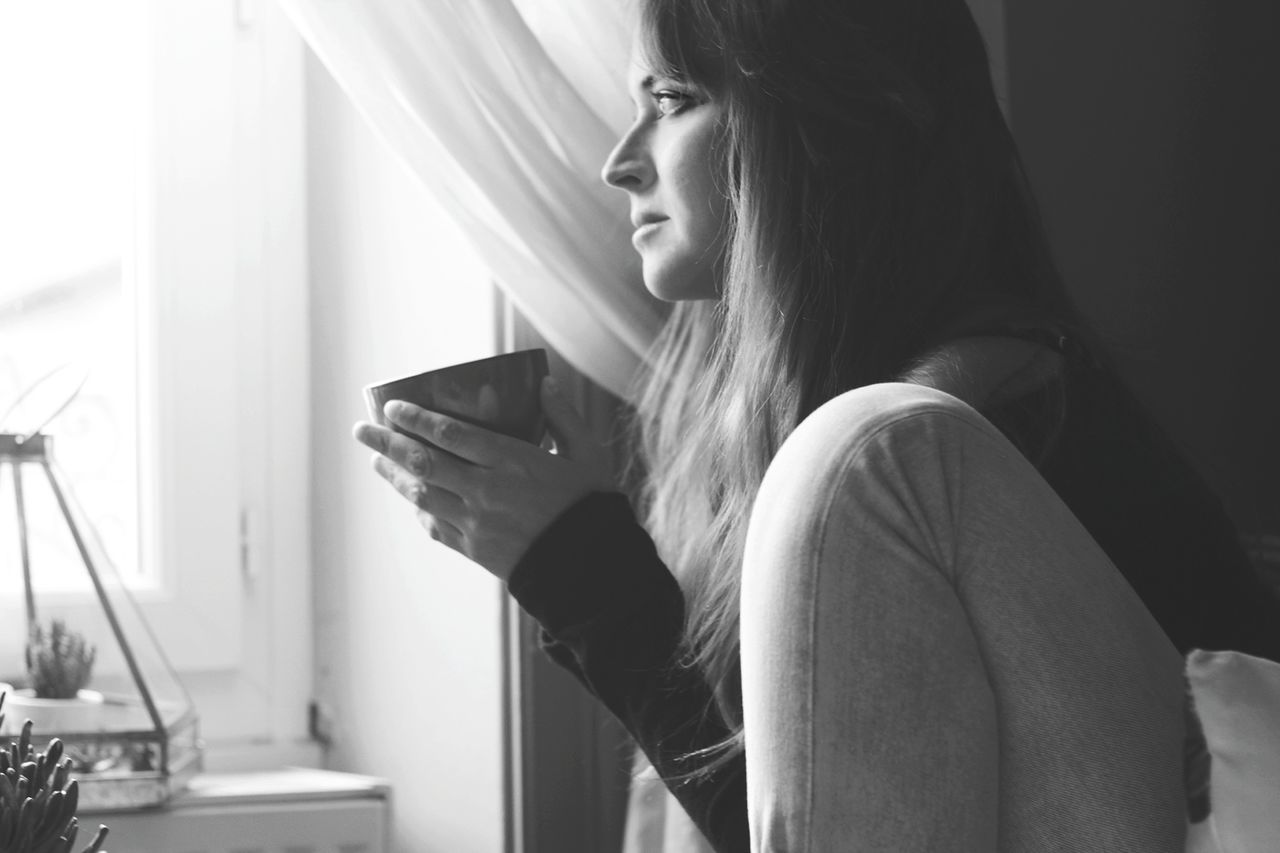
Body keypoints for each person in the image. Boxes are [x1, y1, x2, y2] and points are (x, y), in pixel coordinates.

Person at [352, 0, 1280, 849]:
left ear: (839, 121)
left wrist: (575, 563)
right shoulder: (895, 417)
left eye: (671, 98)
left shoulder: (934, 441)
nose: (619, 159)